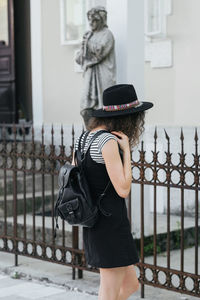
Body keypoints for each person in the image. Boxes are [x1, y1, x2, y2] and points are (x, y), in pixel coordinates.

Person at [72, 84, 153, 300]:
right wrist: (126, 152)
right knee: (108, 292)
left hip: (97, 221)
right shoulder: (108, 142)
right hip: (109, 224)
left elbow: (75, 176)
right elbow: (123, 188)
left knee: (131, 285)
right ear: (128, 118)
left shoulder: (84, 138)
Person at [75, 6, 116, 126]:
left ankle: (104, 133)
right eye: (89, 20)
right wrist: (83, 47)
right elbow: (79, 59)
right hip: (90, 76)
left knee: (104, 107)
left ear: (102, 20)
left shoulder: (107, 34)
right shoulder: (89, 35)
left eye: (95, 20)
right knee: (85, 107)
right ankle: (91, 132)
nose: (91, 23)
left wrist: (88, 43)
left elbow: (100, 53)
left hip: (103, 76)